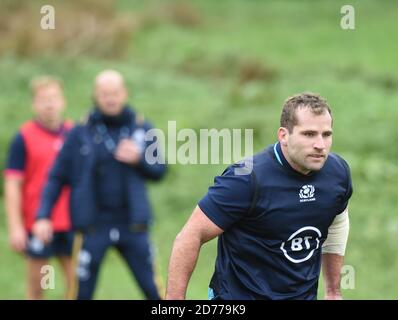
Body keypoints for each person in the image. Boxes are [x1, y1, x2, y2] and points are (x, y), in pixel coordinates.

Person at [166, 92, 352, 300]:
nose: (320, 145)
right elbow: (190, 236)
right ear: (283, 135)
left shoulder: (337, 173)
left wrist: (333, 291)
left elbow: (337, 221)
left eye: (326, 134)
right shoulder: (246, 178)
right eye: (309, 134)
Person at [33, 69, 167, 300]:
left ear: (124, 93)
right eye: (105, 93)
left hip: (133, 225)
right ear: (96, 95)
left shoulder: (142, 128)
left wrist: (140, 159)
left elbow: (160, 171)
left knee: (154, 291)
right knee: (80, 293)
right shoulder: (80, 133)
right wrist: (43, 215)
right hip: (92, 227)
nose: (110, 98)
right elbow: (56, 177)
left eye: (115, 93)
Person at [4, 76, 74, 299]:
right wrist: (15, 226)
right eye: (43, 99)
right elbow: (13, 184)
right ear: (34, 104)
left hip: (71, 222)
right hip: (39, 224)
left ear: (63, 101)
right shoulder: (24, 137)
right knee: (38, 287)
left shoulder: (74, 134)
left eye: (53, 98)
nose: (49, 104)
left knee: (77, 285)